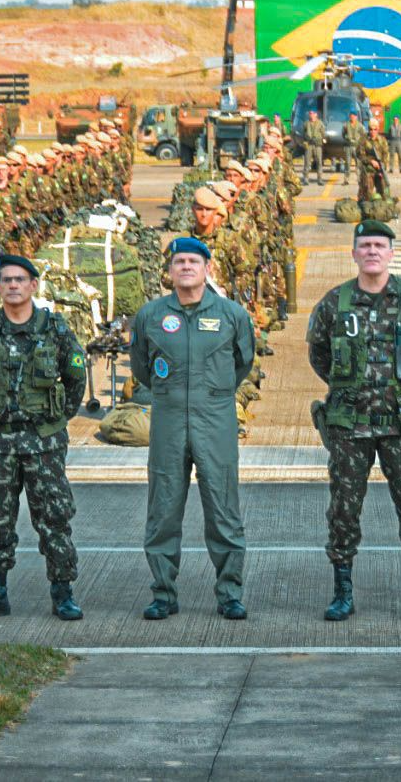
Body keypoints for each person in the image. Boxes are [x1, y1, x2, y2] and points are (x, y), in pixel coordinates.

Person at [307, 220, 401, 621]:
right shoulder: (335, 303)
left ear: (391, 253)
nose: (371, 252)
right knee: (344, 510)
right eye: (364, 245)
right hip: (351, 426)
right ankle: (342, 589)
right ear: (353, 253)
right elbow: (320, 356)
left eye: (379, 245)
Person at [131, 237, 255, 620]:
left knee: (223, 508)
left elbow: (243, 363)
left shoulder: (232, 315)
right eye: (179, 261)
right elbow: (141, 368)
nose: (186, 267)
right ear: (169, 271)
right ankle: (163, 594)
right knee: (164, 509)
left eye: (193, 261)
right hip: (168, 421)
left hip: (215, 419)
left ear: (207, 269)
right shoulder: (150, 316)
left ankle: (230, 593)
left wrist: (213, 393)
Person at [0, 254, 88, 622]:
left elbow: (76, 376)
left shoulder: (56, 329)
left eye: (20, 279)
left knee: (54, 518)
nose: (13, 285)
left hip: (42, 443)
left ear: (33, 286)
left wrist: (59, 417)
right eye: (6, 280)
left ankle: (63, 593)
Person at [303, 110, 326, 185]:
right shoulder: (306, 123)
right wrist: (305, 141)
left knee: (319, 162)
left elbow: (323, 133)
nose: (311, 115)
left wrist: (322, 140)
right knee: (307, 162)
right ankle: (306, 179)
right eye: (310, 114)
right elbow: (304, 133)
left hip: (317, 145)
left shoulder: (320, 123)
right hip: (309, 145)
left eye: (312, 114)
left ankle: (320, 179)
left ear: (316, 114)